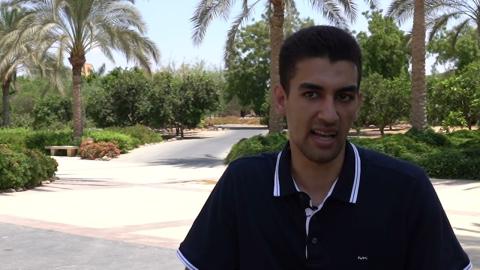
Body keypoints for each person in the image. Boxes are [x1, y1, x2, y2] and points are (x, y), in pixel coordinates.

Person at [177, 25, 472, 270]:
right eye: (312, 94)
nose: (329, 115)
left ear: (358, 102)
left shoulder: (406, 190)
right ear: (281, 100)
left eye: (343, 97)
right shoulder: (242, 185)